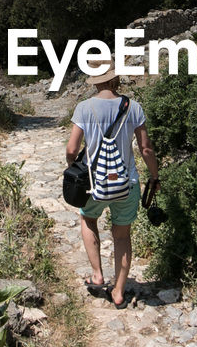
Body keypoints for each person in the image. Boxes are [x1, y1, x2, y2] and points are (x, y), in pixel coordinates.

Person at [65, 66, 160, 308]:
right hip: (126, 183)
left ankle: (97, 274)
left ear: (95, 82)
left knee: (88, 219)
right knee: (122, 235)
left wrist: (74, 169)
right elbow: (145, 148)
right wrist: (155, 176)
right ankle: (118, 291)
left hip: (94, 183)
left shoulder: (84, 108)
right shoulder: (134, 107)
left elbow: (72, 149)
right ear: (115, 78)